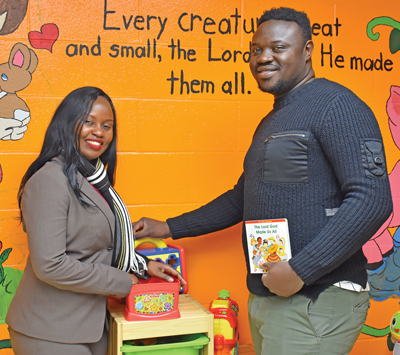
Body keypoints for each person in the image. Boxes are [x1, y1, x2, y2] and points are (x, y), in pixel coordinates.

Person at [132, 7, 393, 355]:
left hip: (314, 297)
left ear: (308, 51)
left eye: (278, 47)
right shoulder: (273, 121)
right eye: (256, 50)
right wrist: (167, 227)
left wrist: (301, 269)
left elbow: (372, 199)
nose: (263, 57)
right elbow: (242, 198)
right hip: (274, 296)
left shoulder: (337, 104)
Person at [6, 87, 186, 355]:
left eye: (107, 126)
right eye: (89, 121)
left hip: (89, 324)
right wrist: (122, 282)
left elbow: (100, 248)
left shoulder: (93, 180)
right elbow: (50, 265)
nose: (99, 132)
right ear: (68, 123)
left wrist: (144, 266)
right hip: (49, 330)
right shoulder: (50, 180)